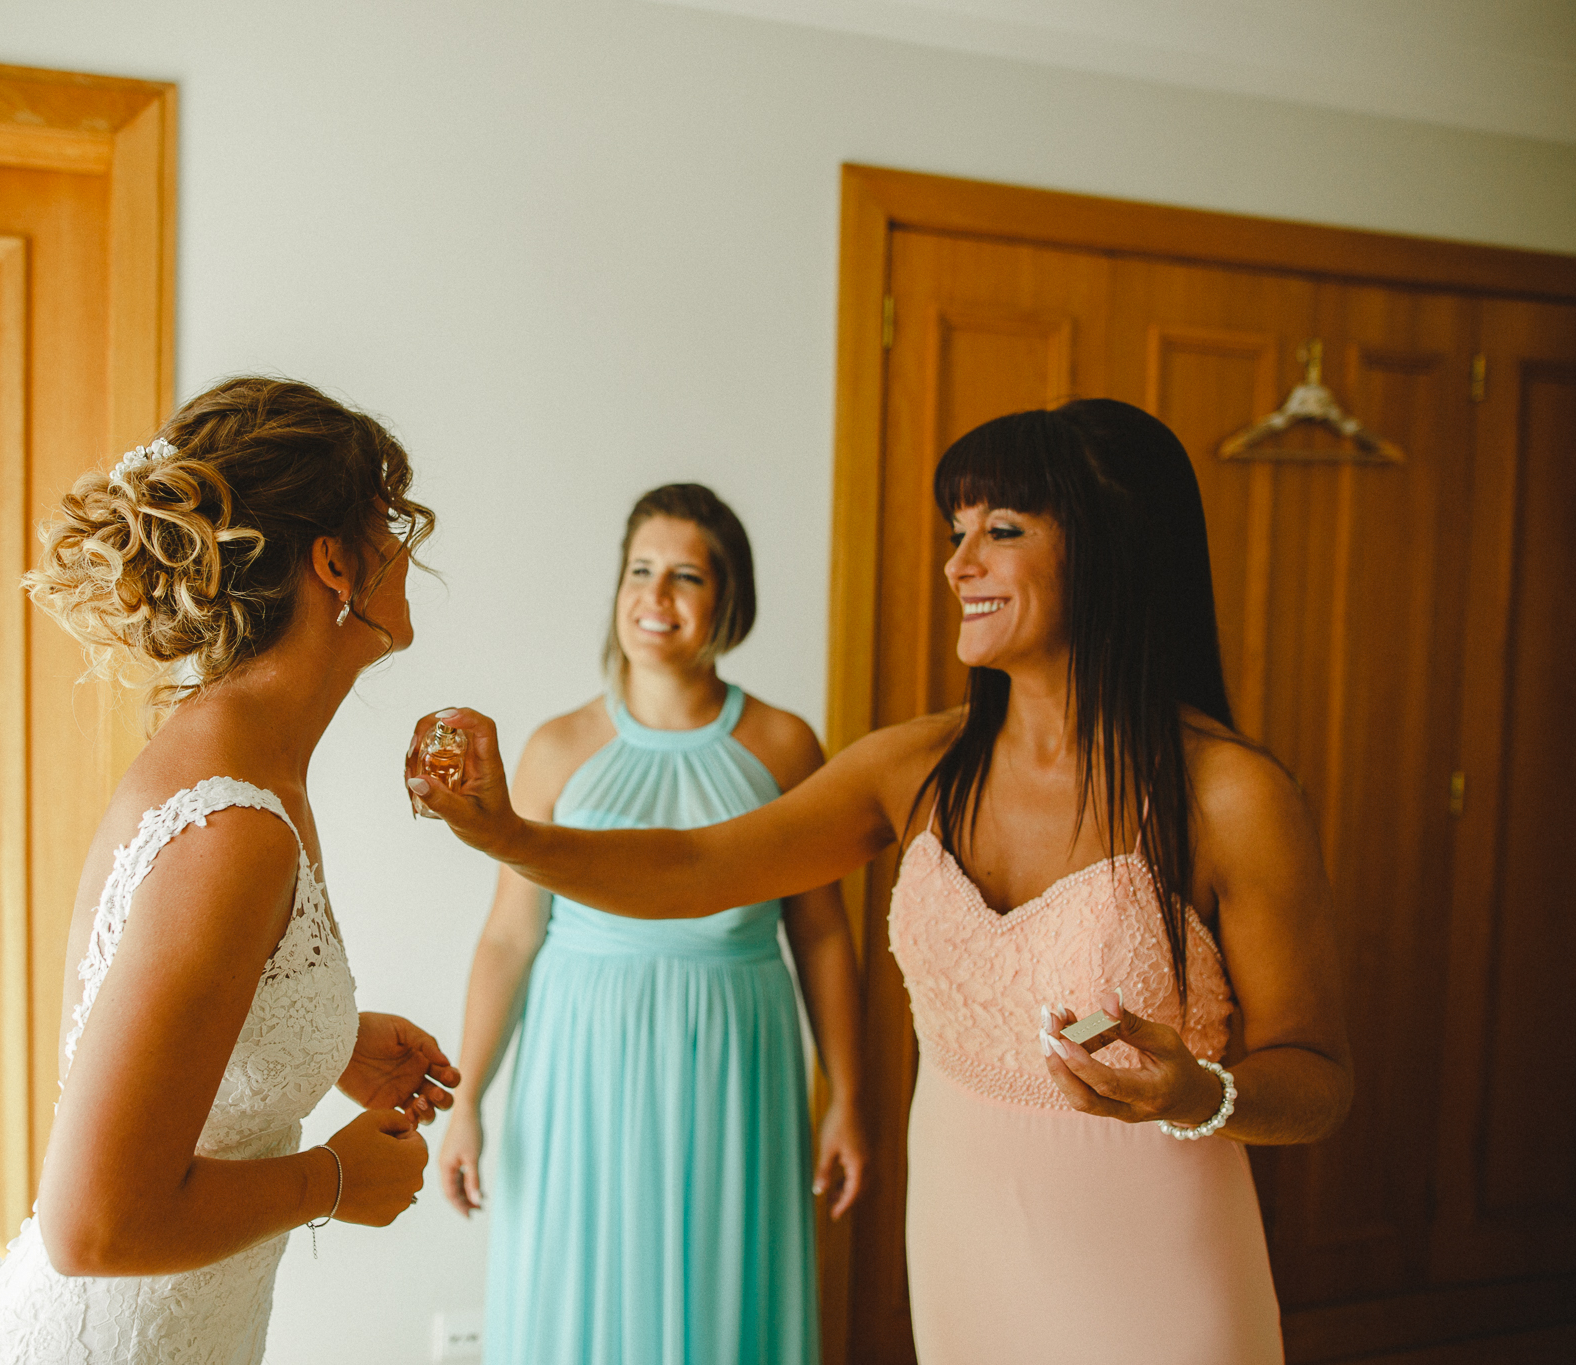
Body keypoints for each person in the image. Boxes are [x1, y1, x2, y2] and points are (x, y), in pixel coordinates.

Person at [406, 400, 1353, 1365]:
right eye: (958, 532)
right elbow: (695, 868)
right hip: (961, 1240)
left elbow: (1316, 1079)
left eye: (1001, 531)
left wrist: (1195, 1093)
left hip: (1152, 1254)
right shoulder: (916, 767)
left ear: (1109, 550)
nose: (958, 564)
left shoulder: (1231, 795)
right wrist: (508, 833)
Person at [0, 377, 459, 1365]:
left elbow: (202, 1019)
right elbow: (93, 1226)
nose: (406, 551)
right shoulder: (233, 824)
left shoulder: (244, 757)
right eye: (387, 525)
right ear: (334, 564)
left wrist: (327, 1040)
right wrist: (333, 1182)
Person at [436, 484, 866, 1365]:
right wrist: (467, 1098)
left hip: (737, 1054)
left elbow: (821, 933)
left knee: (724, 1289)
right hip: (580, 1057)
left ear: (728, 599)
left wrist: (850, 1097)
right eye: (640, 570)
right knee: (579, 1287)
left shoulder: (786, 748)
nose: (654, 596)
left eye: (684, 576)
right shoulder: (558, 748)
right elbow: (510, 938)